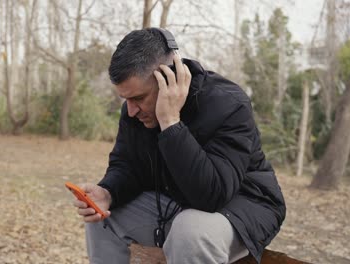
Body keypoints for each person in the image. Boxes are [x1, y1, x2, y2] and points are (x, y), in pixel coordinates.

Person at [72, 28, 286, 264]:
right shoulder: (135, 112)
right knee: (102, 218)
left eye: (138, 98)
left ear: (169, 78)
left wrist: (170, 123)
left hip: (244, 206)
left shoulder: (229, 104)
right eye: (126, 100)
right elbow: (127, 165)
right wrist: (108, 192)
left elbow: (211, 197)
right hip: (178, 202)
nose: (131, 110)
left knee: (190, 230)